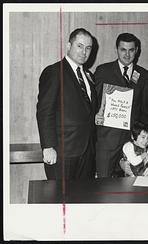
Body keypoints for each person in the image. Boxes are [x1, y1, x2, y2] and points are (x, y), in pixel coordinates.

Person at [36, 28, 97, 180]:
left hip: (87, 152)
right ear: (69, 46)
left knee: (83, 199)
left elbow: (86, 111)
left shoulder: (88, 75)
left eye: (88, 48)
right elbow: (44, 111)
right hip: (62, 152)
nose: (84, 52)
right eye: (80, 46)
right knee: (60, 199)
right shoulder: (54, 72)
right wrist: (48, 147)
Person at [94, 32, 148, 177]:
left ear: (137, 50)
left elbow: (147, 112)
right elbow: (93, 103)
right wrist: (96, 115)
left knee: (132, 187)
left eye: (131, 50)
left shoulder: (145, 76)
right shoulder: (103, 71)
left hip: (133, 145)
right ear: (117, 50)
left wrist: (139, 139)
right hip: (107, 142)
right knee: (104, 186)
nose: (127, 54)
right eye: (123, 50)